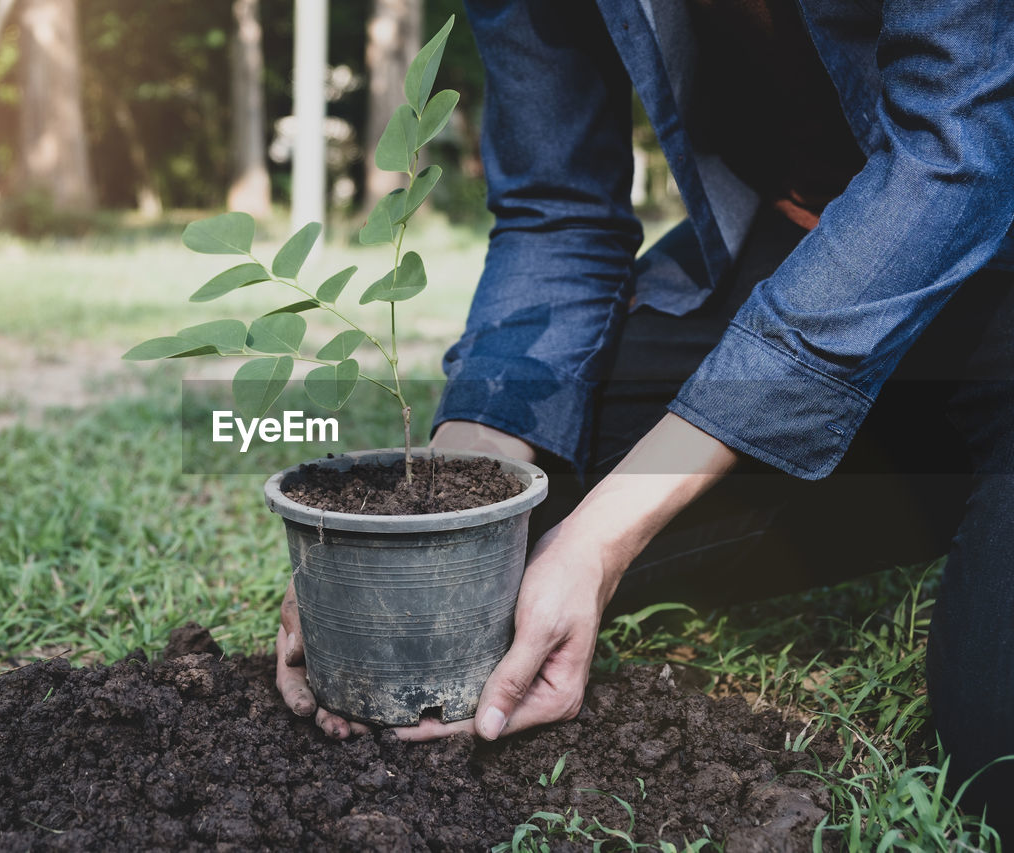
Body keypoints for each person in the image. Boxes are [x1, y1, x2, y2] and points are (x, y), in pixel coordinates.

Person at [276, 0, 1014, 824]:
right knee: (501, 545)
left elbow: (957, 157)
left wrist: (601, 539)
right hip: (809, 252)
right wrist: (444, 510)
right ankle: (887, 448)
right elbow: (558, 209)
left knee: (999, 757)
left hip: (988, 243)